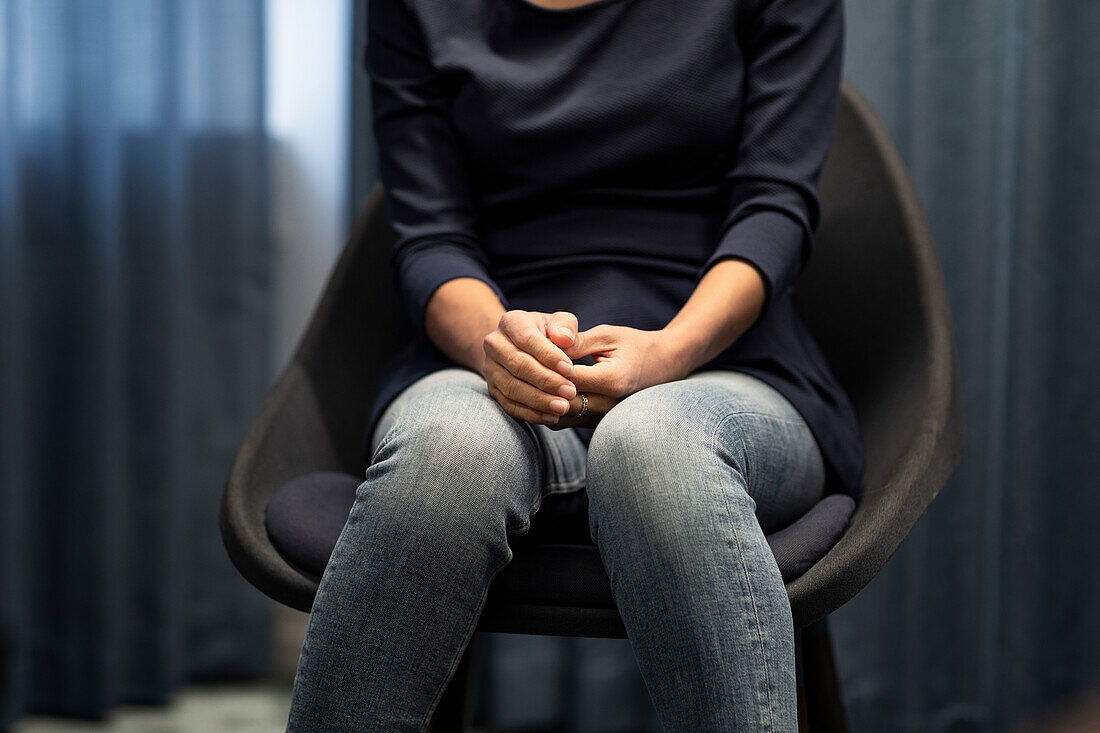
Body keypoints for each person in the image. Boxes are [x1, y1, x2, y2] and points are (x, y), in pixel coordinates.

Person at [286, 0, 864, 729]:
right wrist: (499, 343)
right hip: (494, 359)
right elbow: (430, 235)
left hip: (722, 362)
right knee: (448, 455)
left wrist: (672, 349)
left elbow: (774, 207)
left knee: (654, 444)